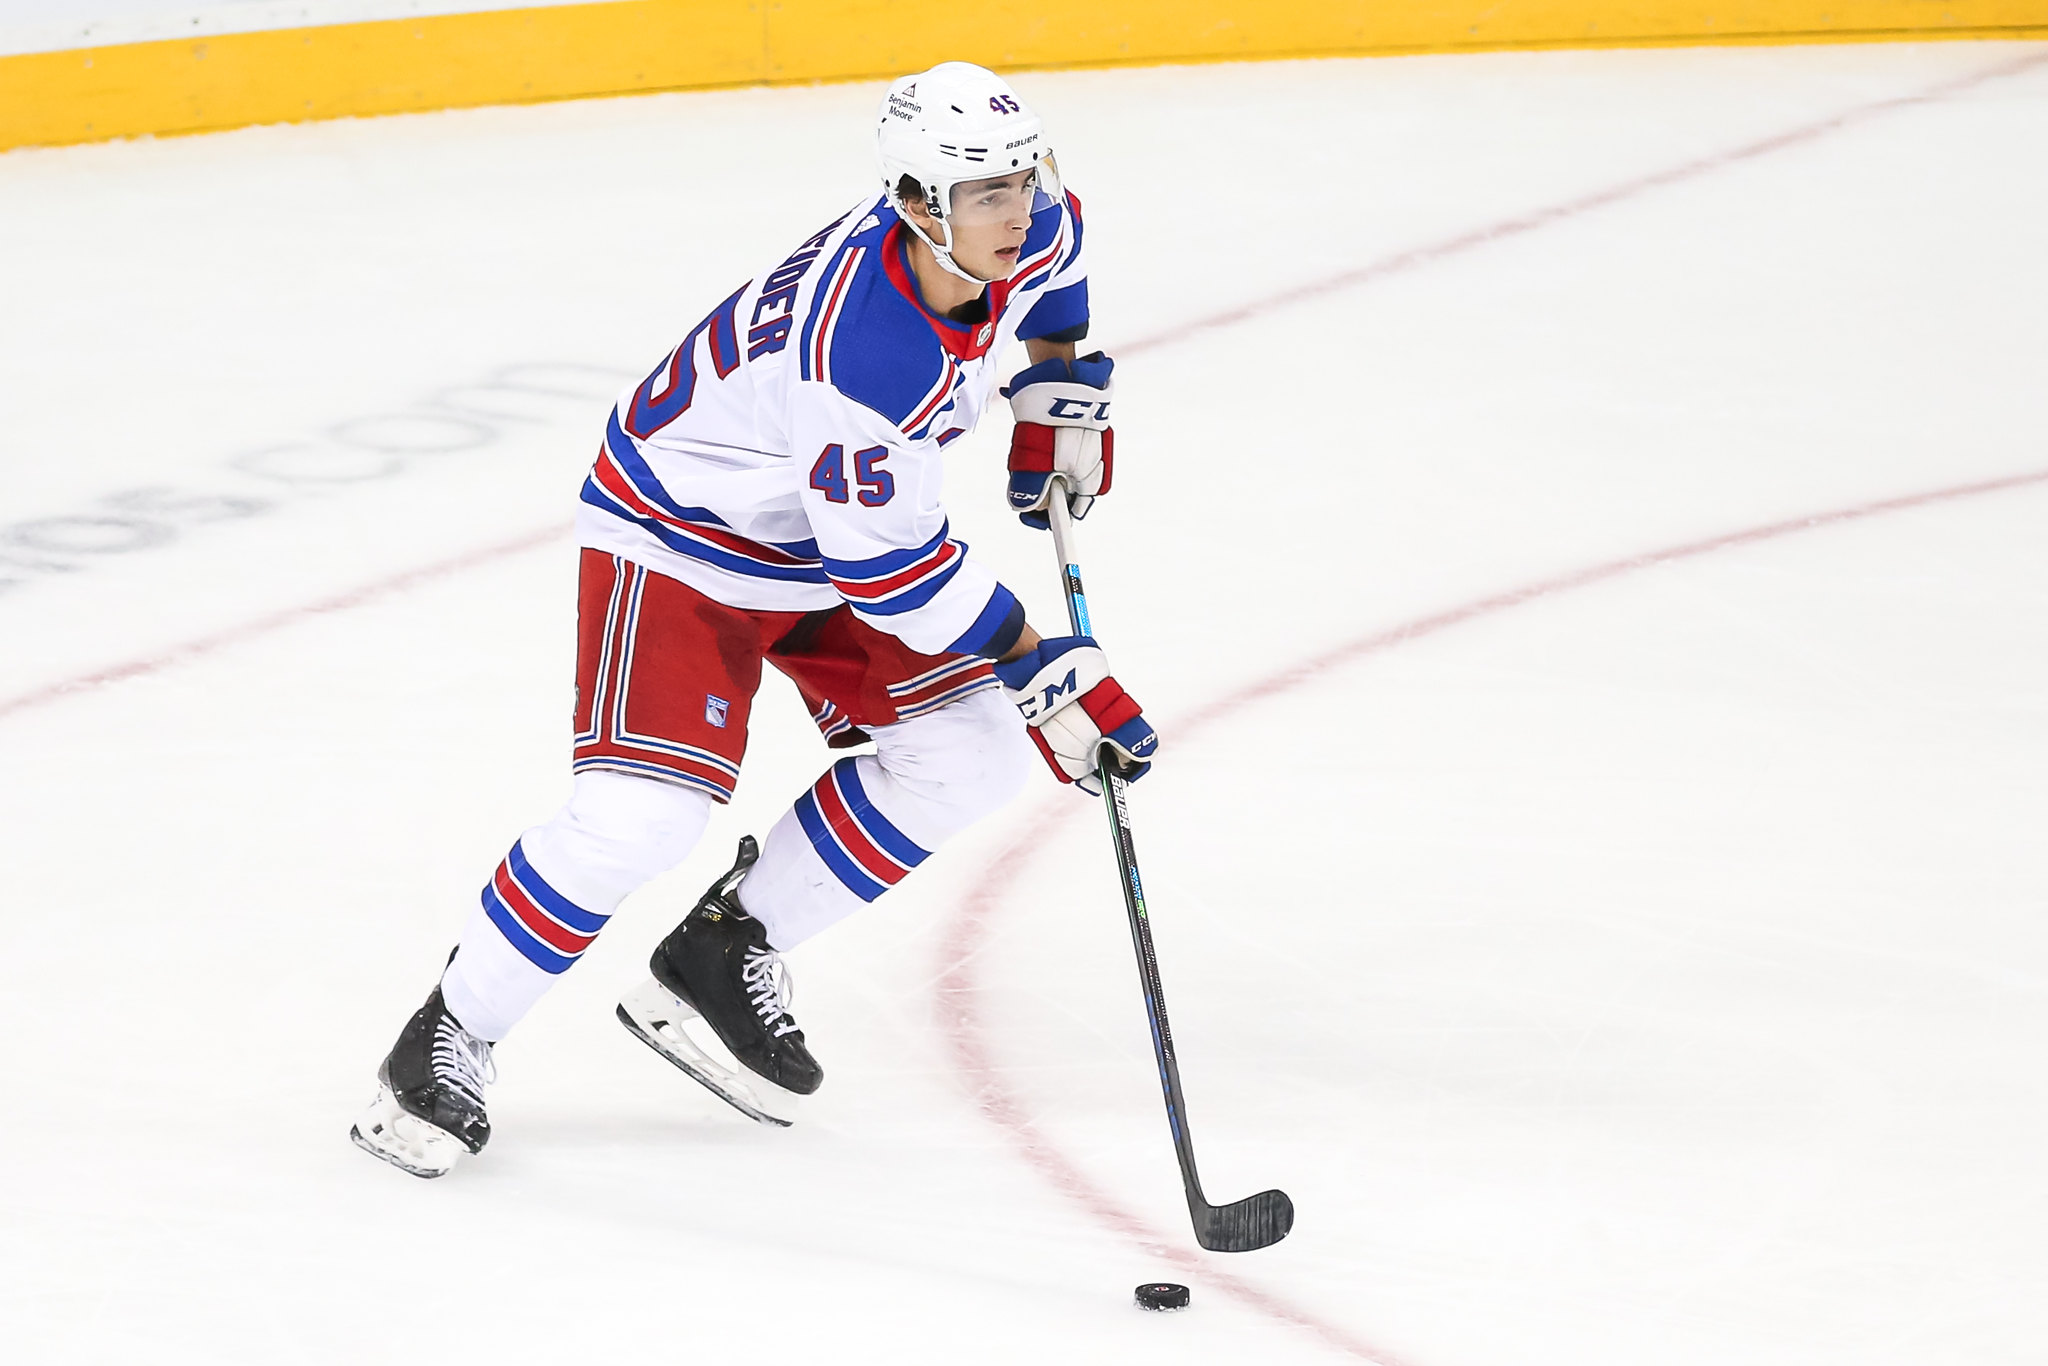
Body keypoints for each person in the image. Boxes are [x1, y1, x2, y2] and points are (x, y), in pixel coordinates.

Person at [350, 61, 1159, 1178]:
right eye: (985, 195)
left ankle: (723, 954)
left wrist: (1052, 387)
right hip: (683, 535)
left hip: (820, 528)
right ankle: (446, 1035)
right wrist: (1038, 665)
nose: (1015, 209)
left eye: (1022, 179)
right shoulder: (862, 355)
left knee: (964, 754)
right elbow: (890, 574)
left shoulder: (1023, 220)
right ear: (917, 205)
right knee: (639, 817)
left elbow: (1057, 281)